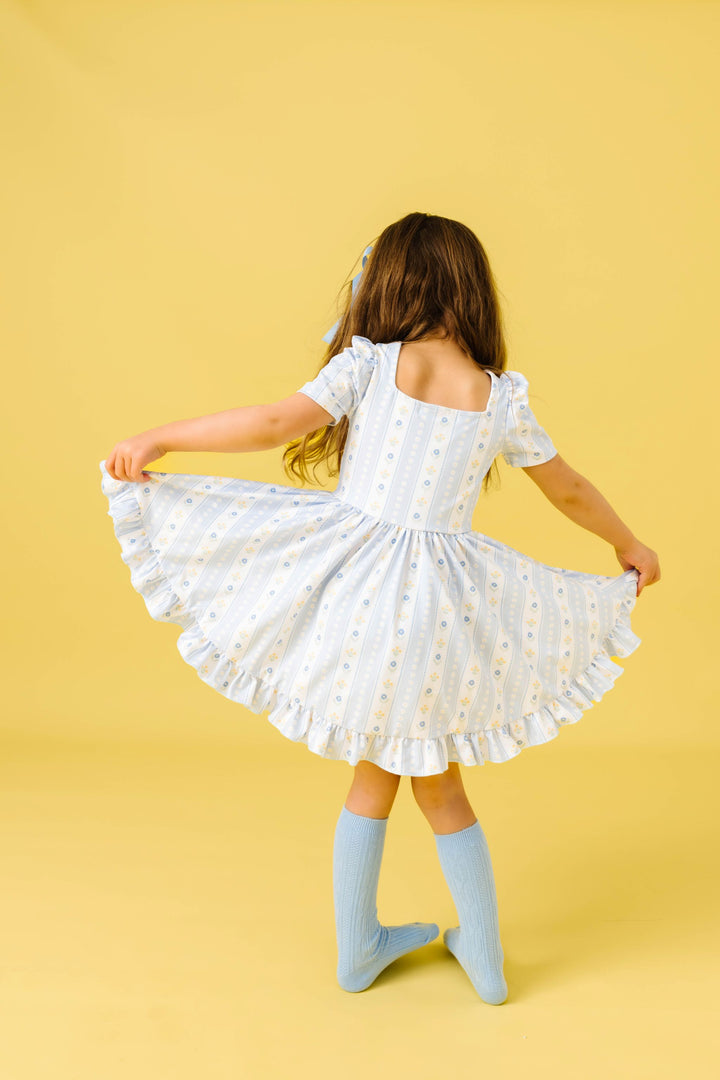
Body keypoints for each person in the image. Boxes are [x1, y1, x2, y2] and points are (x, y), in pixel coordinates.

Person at [98, 212, 660, 1004]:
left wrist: (163, 437)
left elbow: (272, 424)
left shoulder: (370, 365)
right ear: (473, 289)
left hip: (359, 597)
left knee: (373, 778)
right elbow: (566, 487)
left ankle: (360, 947)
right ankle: (484, 957)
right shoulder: (499, 398)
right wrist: (628, 544)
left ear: (391, 281)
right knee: (440, 785)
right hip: (442, 609)